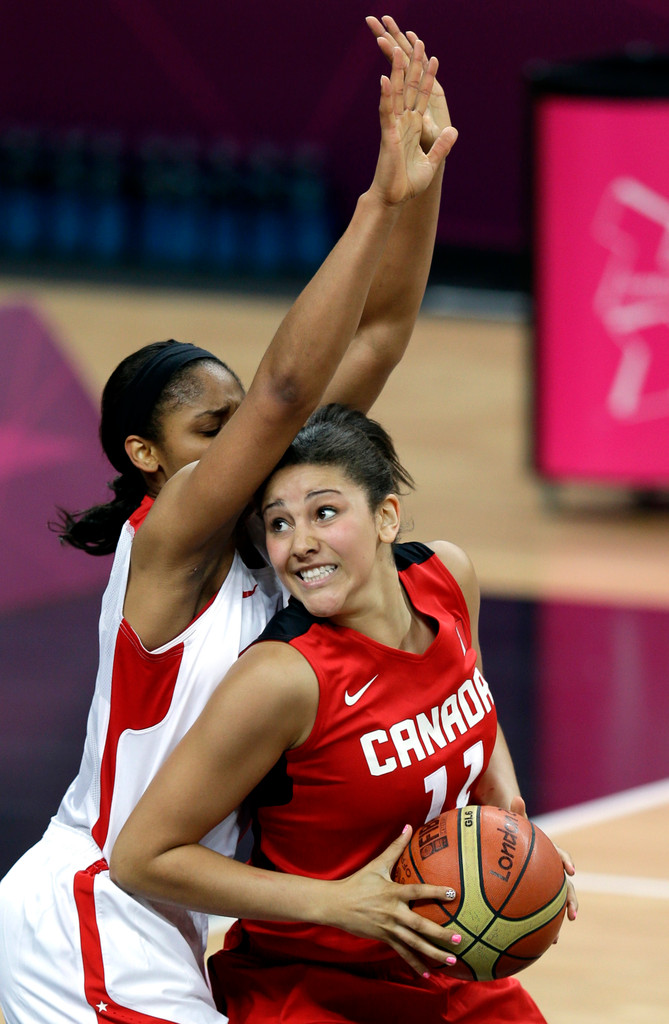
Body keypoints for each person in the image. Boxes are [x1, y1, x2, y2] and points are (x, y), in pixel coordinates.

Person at [0, 24, 458, 1024]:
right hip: (90, 911)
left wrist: (418, 191)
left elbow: (377, 336)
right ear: (144, 457)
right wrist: (373, 201)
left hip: (162, 916)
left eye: (242, 415)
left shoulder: (265, 535)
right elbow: (290, 388)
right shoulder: (165, 541)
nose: (252, 435)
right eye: (217, 425)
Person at [111, 403, 578, 1024]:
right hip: (312, 983)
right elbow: (142, 855)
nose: (300, 544)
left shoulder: (447, 576)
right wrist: (338, 903)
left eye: (324, 513)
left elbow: (471, 701)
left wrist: (516, 830)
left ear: (386, 516)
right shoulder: (283, 678)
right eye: (279, 524)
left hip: (445, 964)